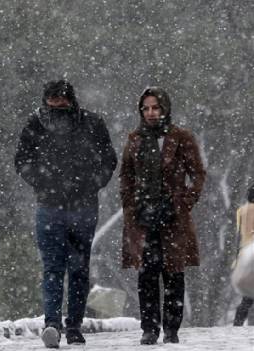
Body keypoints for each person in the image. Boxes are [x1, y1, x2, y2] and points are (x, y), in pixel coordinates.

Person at [15, 80, 117, 348]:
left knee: (77, 268)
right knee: (54, 267)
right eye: (53, 98)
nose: (58, 103)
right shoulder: (35, 125)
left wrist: (90, 183)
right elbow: (22, 161)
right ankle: (53, 323)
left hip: (81, 206)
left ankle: (72, 324)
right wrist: (44, 182)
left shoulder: (92, 124)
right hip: (51, 206)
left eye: (61, 98)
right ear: (46, 99)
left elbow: (108, 159)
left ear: (70, 99)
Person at [119, 87, 206, 345]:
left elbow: (198, 174)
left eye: (155, 107)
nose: (150, 113)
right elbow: (126, 176)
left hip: (173, 217)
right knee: (146, 275)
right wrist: (130, 206)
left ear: (165, 108)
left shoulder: (181, 137)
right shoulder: (135, 139)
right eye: (145, 108)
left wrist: (184, 202)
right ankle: (149, 328)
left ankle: (171, 329)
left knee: (173, 274)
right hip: (143, 218)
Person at [233, 183, 254, 326]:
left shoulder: (241, 211)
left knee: (248, 296)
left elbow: (239, 235)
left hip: (246, 253)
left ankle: (238, 323)